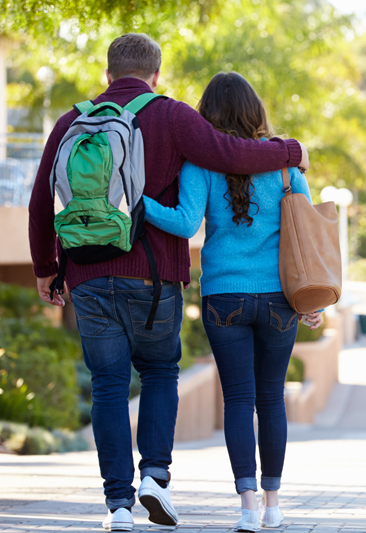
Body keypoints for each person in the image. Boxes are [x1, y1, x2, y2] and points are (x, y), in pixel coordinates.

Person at [28, 34, 306, 532]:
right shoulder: (173, 115)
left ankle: (118, 506)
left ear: (107, 73)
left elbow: (39, 202)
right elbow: (234, 153)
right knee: (160, 372)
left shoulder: (70, 121)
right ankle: (156, 475)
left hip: (87, 278)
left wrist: (47, 269)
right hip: (153, 278)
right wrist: (290, 150)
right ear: (155, 74)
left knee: (108, 386)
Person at [141, 71, 322, 533]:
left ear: (208, 116)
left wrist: (139, 205)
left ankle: (246, 509)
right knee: (272, 399)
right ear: (256, 110)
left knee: (239, 400)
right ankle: (274, 505)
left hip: (224, 295)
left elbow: (184, 225)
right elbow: (308, 235)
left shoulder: (200, 165)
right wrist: (314, 299)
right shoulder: (284, 165)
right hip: (281, 299)